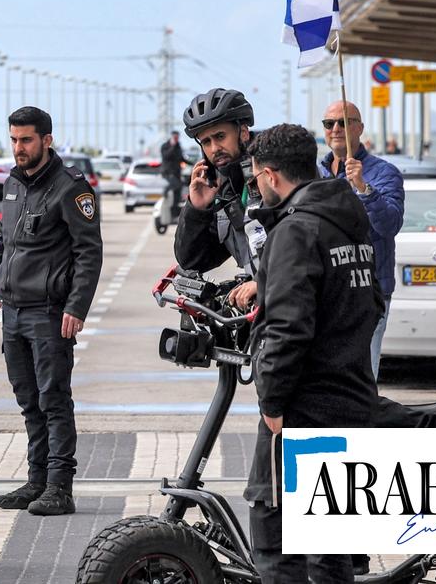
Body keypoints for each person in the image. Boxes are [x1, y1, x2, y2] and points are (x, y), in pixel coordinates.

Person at [244, 123, 381, 584]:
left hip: (305, 406)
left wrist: (273, 403)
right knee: (329, 545)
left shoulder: (295, 231)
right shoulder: (349, 219)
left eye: (257, 176)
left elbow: (287, 327)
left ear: (270, 175)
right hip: (351, 394)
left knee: (277, 540)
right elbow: (372, 302)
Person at [0, 106, 103, 516]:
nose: (19, 148)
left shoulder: (71, 187)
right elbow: (4, 236)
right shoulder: (12, 184)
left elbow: (89, 252)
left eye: (26, 140)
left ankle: (59, 488)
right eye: (15, 139)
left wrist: (77, 306)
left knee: (54, 400)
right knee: (29, 401)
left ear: (47, 140)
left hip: (50, 313)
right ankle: (36, 482)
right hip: (14, 313)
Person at [317, 101, 404, 380]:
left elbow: (389, 225)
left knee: (361, 379)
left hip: (367, 292)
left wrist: (364, 188)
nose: (336, 129)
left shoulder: (384, 173)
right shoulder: (316, 174)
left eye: (344, 122)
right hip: (324, 292)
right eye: (329, 124)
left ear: (360, 128)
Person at [173, 87, 263, 311]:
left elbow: (303, 249)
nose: (215, 148)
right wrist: (197, 209)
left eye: (220, 137)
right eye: (206, 142)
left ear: (243, 132)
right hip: (257, 313)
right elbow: (194, 261)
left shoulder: (275, 177)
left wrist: (266, 283)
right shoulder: (222, 190)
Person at [159, 131, 187, 220]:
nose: (176, 139)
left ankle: (174, 213)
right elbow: (166, 156)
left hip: (177, 172)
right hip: (168, 172)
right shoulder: (165, 146)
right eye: (175, 137)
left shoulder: (178, 146)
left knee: (177, 193)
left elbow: (181, 158)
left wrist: (193, 163)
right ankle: (165, 191)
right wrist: (173, 146)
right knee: (177, 184)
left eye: (177, 137)